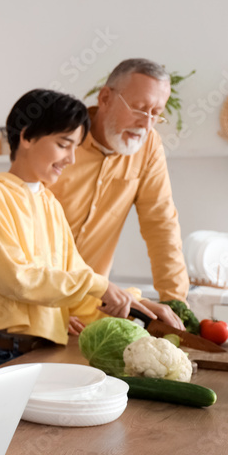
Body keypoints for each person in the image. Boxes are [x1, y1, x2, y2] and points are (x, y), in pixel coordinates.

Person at [0, 90, 175, 380]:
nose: (72, 158)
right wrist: (98, 285)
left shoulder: (50, 203)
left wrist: (135, 303)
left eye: (76, 147)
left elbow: (76, 280)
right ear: (26, 137)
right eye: (64, 145)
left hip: (46, 351)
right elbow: (13, 277)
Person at [48, 58, 188, 326]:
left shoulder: (148, 147)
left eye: (156, 113)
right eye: (138, 108)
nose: (146, 124)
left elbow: (161, 224)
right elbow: (26, 233)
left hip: (87, 315)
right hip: (36, 309)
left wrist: (175, 304)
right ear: (105, 98)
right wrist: (43, 311)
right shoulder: (60, 141)